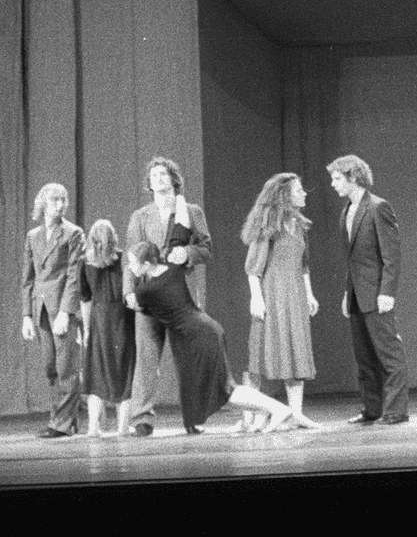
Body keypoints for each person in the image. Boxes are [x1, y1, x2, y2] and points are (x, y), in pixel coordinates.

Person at [128, 228, 317, 435]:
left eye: (133, 263)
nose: (130, 267)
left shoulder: (146, 290)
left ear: (147, 265)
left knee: (225, 389)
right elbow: (181, 230)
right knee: (207, 385)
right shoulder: (172, 268)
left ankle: (277, 409)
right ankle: (212, 420)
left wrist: (130, 294)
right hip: (204, 330)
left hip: (199, 337)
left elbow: (133, 303)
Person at [123, 156, 210, 437]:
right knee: (146, 358)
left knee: (187, 357)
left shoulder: (191, 211)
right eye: (154, 175)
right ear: (148, 183)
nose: (158, 178)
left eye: (163, 174)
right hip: (149, 296)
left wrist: (189, 253)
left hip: (179, 296)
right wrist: (128, 292)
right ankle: (141, 419)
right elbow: (131, 258)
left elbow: (207, 248)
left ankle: (195, 416)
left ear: (174, 179)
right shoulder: (140, 216)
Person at [328, 155, 409, 425]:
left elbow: (391, 255)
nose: (332, 184)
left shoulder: (377, 207)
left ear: (353, 177)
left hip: (376, 294)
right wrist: (346, 292)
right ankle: (371, 408)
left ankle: (396, 410)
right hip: (356, 295)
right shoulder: (346, 211)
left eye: (337, 178)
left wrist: (387, 292)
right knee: (363, 356)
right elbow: (353, 259)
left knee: (388, 353)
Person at [238, 173, 320, 431]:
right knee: (262, 353)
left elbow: (303, 264)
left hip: (294, 294)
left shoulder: (298, 223)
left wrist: (308, 294)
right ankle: (250, 417)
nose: (304, 193)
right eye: (298, 190)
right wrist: (256, 298)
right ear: (285, 194)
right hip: (272, 294)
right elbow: (253, 267)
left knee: (296, 349)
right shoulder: (268, 223)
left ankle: (295, 414)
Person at [21, 182, 85, 438]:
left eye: (63, 200)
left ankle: (60, 422)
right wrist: (26, 315)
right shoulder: (32, 236)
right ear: (43, 204)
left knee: (66, 366)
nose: (60, 205)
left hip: (62, 308)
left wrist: (65, 312)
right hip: (41, 309)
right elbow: (27, 279)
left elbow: (73, 276)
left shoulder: (72, 233)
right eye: (55, 200)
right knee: (50, 366)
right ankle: (65, 419)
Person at [79, 219, 135, 437]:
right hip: (122, 317)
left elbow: (85, 299)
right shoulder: (123, 258)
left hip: (99, 319)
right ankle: (122, 428)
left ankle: (93, 427)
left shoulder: (85, 263)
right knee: (125, 371)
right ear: (114, 238)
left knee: (97, 373)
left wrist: (86, 329)